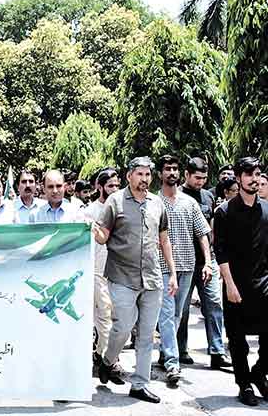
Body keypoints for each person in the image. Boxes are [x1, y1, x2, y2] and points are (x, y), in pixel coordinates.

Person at [93, 156, 178, 403]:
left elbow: (164, 241)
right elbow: (103, 236)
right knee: (123, 327)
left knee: (146, 334)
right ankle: (108, 360)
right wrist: (94, 230)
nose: (144, 179)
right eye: (139, 174)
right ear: (129, 176)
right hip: (122, 276)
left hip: (152, 278)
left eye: (147, 174)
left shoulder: (157, 204)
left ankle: (140, 384)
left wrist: (172, 273)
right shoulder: (115, 201)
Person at [213, 157, 268, 406]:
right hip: (235, 285)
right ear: (238, 178)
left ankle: (259, 373)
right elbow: (221, 251)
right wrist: (230, 285)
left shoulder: (266, 210)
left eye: (257, 174)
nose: (254, 179)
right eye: (249, 174)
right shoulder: (225, 212)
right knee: (237, 340)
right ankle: (244, 384)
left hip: (264, 284)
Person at [155, 155, 212, 385]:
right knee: (167, 314)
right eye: (167, 169)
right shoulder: (153, 202)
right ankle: (172, 363)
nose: (172, 173)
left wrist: (208, 261)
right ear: (160, 173)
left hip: (187, 265)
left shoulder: (189, 203)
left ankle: (165, 352)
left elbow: (202, 233)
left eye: (175, 169)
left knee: (177, 314)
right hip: (162, 267)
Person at [179, 157, 231, 369]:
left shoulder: (208, 196)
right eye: (196, 178)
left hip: (207, 261)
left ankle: (217, 351)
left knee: (214, 304)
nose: (200, 182)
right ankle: (180, 350)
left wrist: (213, 255)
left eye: (203, 178)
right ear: (186, 175)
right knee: (181, 310)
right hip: (183, 262)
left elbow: (211, 228)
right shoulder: (177, 196)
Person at [83, 168, 120, 365]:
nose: (114, 189)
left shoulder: (122, 209)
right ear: (100, 187)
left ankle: (101, 353)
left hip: (120, 271)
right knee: (104, 313)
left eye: (117, 186)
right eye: (110, 186)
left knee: (116, 316)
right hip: (98, 270)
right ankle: (108, 359)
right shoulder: (90, 212)